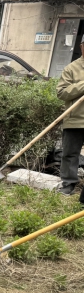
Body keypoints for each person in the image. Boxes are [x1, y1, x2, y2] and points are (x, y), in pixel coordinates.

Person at [55, 36, 84, 200]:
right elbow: (62, 93)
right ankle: (68, 184)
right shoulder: (71, 69)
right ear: (81, 47)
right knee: (70, 154)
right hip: (75, 119)